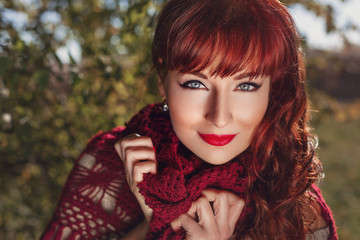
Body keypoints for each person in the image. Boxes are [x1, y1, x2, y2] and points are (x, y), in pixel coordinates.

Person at [41, 0, 338, 239]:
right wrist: (154, 225)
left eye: (245, 86)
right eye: (196, 84)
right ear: (163, 82)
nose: (219, 117)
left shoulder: (295, 200)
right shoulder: (107, 166)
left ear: (272, 91)